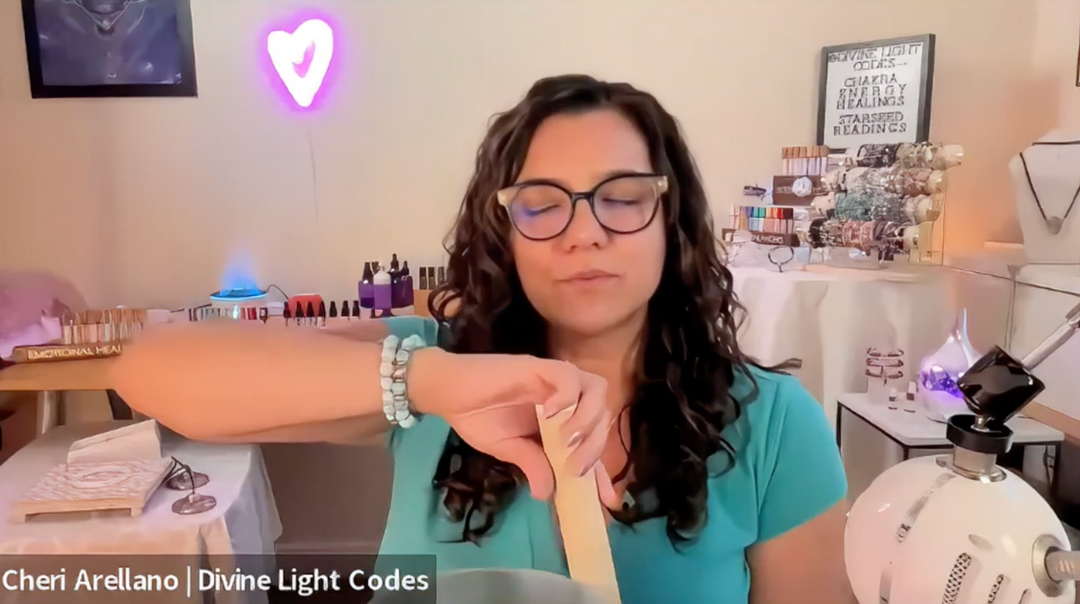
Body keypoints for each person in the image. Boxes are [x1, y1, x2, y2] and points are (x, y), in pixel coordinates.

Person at [112, 75, 850, 604]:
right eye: (542, 206)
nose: (585, 232)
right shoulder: (433, 366)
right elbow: (151, 371)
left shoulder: (776, 424)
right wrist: (430, 382)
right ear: (507, 234)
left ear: (672, 222)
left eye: (623, 198)